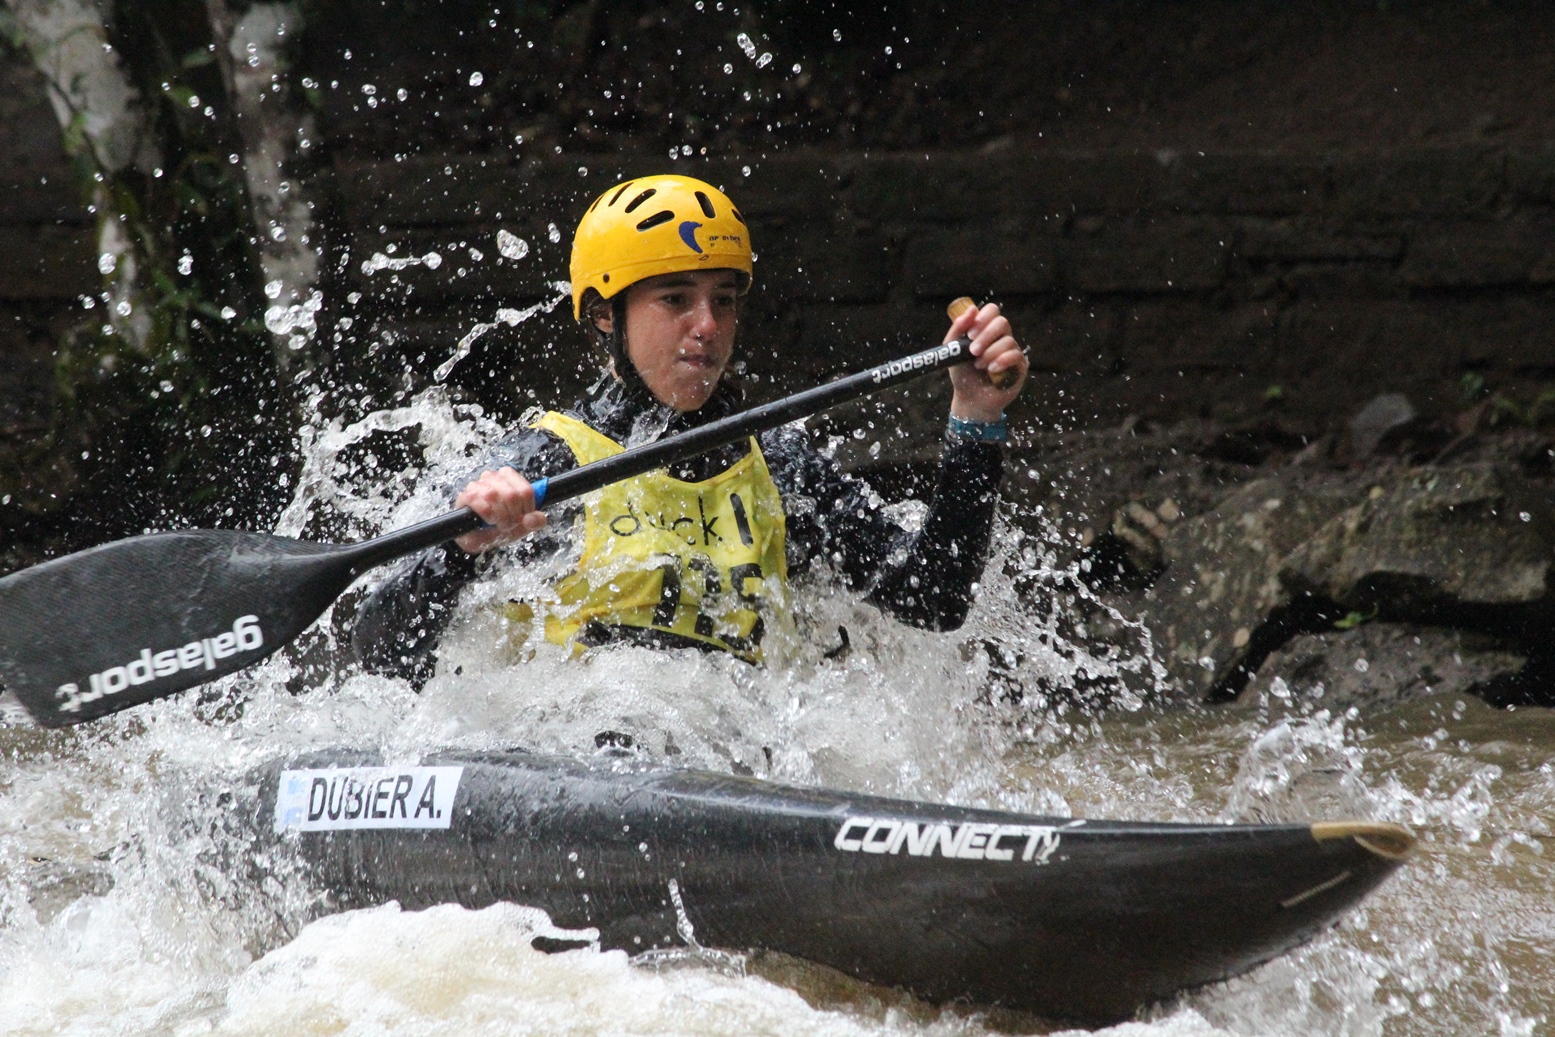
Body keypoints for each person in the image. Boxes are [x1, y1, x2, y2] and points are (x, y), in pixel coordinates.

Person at [352, 174, 1027, 682]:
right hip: (577, 758)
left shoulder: (779, 466)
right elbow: (378, 654)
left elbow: (934, 598)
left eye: (723, 302)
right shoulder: (540, 460)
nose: (706, 325)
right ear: (603, 316)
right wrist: (459, 549)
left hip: (728, 754)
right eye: (675, 299)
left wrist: (974, 419)